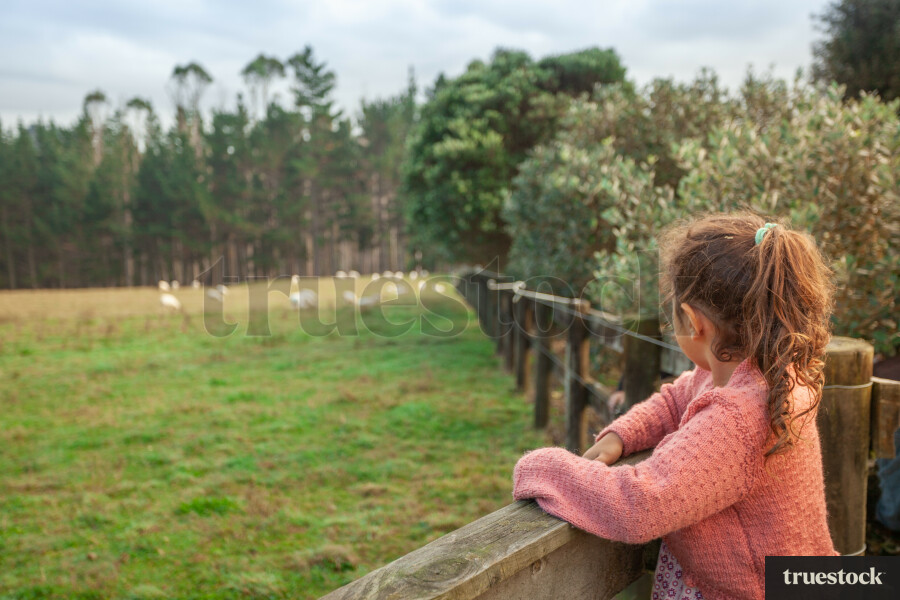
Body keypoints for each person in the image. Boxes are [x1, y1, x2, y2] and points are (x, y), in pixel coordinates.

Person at [512, 212, 839, 600]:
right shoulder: (763, 371)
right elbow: (675, 398)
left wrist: (541, 467)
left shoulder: (738, 419)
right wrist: (623, 433)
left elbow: (638, 506)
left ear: (691, 320)